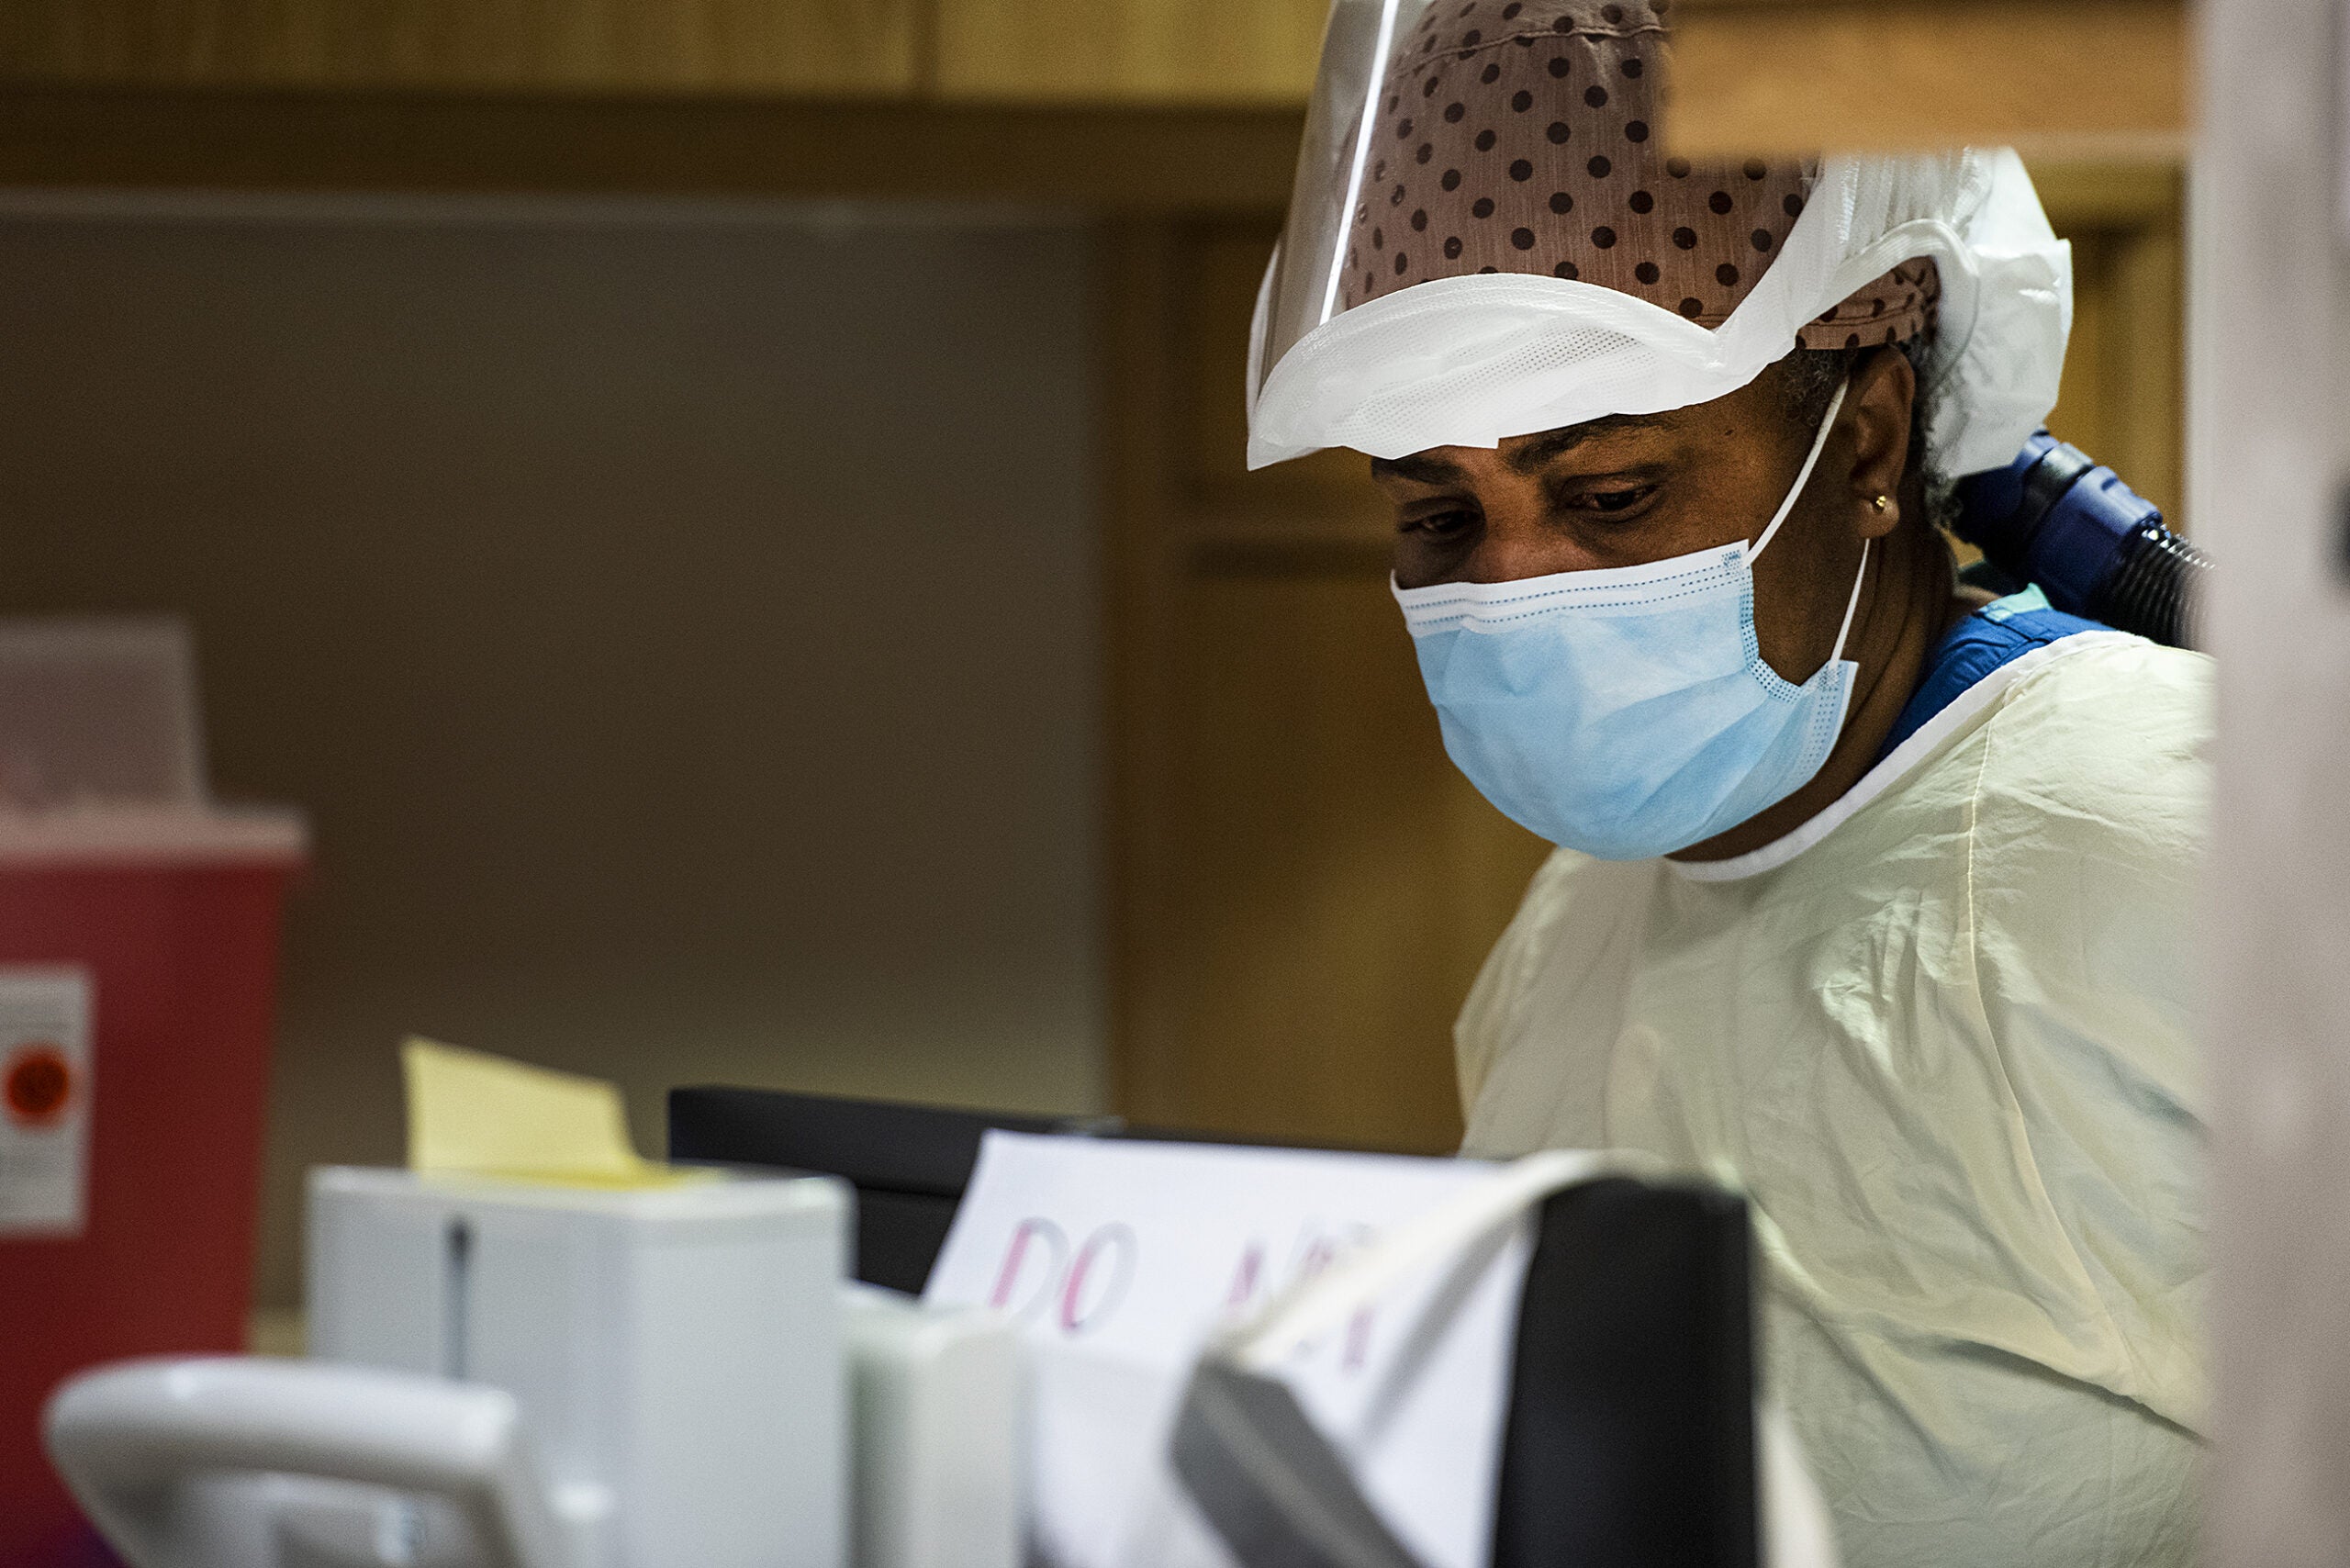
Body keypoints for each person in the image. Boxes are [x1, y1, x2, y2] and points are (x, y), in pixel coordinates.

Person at [1246, 2, 2208, 1564]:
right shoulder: (1579, 924)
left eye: (1614, 492)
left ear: (1871, 441)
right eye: (1438, 519)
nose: (1513, 586)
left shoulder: (2184, 835)